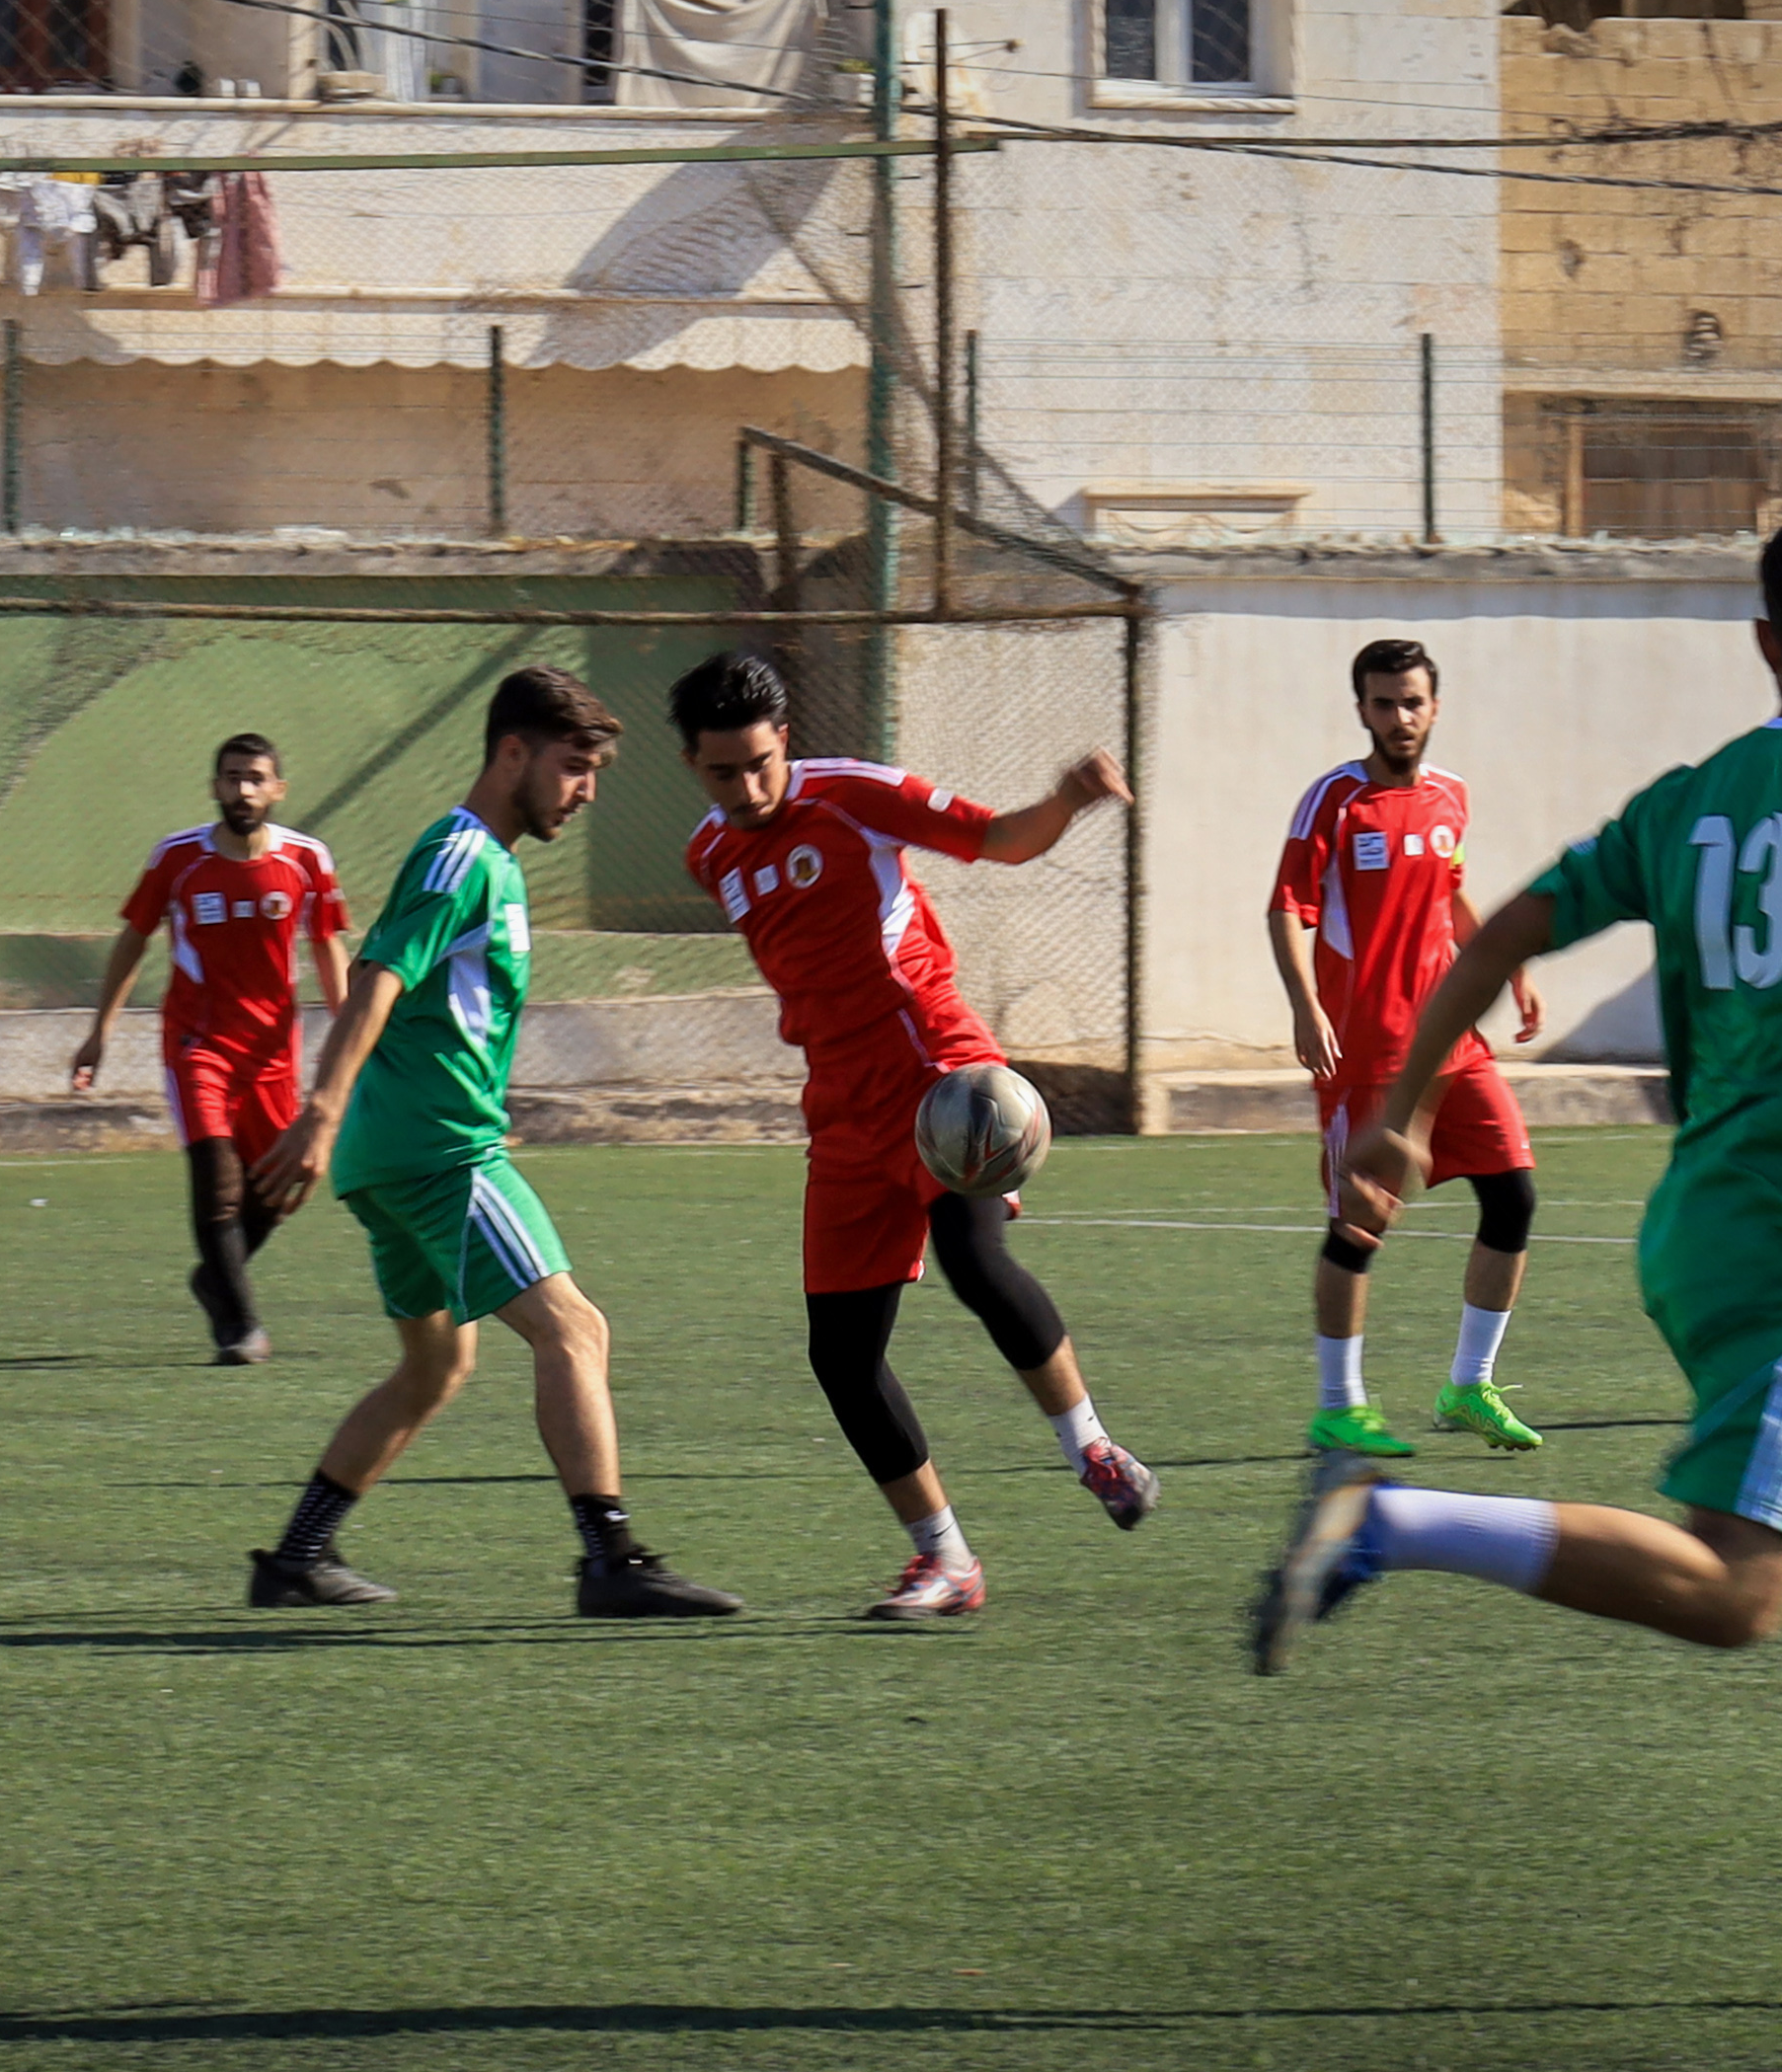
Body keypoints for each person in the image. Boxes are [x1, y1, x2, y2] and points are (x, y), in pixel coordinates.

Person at [1254, 508, 1782, 2008]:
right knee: (1742, 1592)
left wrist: (1400, 1112)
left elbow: (1497, 933)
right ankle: (1386, 1519)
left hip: (1716, 1226)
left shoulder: (1695, 796)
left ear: (1762, 644)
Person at [668, 652, 1159, 1622]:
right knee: (840, 1357)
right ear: (691, 764)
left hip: (936, 1070)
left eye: (762, 764)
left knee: (974, 1259)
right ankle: (946, 1562)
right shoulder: (708, 855)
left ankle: (1093, 1448)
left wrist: (1066, 798)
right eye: (724, 773)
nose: (749, 788)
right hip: (841, 1109)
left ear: (785, 741)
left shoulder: (852, 795)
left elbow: (997, 840)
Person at [243, 667, 740, 1618]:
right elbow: (379, 976)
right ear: (513, 753)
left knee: (436, 1366)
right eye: (573, 765)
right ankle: (611, 1561)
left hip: (394, 1157)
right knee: (574, 1329)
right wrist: (319, 1111)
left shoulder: (494, 865)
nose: (586, 790)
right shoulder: (459, 856)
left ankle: (295, 1559)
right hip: (439, 1153)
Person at [1268, 640, 1549, 1460]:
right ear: (1361, 709)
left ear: (1434, 707)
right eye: (1384, 703)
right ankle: (1338, 1406)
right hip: (1366, 1054)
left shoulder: (1450, 795)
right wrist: (1305, 1006)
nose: (1400, 717)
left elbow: (1448, 893)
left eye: (1412, 702)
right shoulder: (1333, 801)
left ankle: (1468, 1387)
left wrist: (1512, 969)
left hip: (1452, 1043)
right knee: (1359, 1224)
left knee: (1513, 1197)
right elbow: (1285, 907)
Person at [71, 734, 349, 1363]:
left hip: (273, 1054)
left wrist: (352, 1031)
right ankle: (240, 1327)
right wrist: (100, 1031)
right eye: (231, 778)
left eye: (255, 778)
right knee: (218, 1180)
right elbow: (133, 938)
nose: (243, 790)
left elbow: (328, 947)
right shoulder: (178, 859)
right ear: (214, 787)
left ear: (277, 789)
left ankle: (213, 1279)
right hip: (198, 1045)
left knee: (281, 1187)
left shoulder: (307, 860)